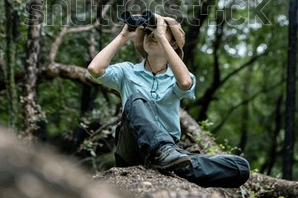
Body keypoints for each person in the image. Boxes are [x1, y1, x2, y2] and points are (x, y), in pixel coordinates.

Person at [87, 12, 250, 188]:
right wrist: (123, 35)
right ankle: (164, 154)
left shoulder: (178, 76)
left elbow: (185, 82)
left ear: (172, 43)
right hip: (132, 148)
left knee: (240, 167)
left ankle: (172, 163)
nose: (152, 35)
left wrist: (163, 40)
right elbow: (95, 69)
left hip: (171, 152)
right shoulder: (127, 71)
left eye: (158, 32)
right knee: (135, 99)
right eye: (148, 33)